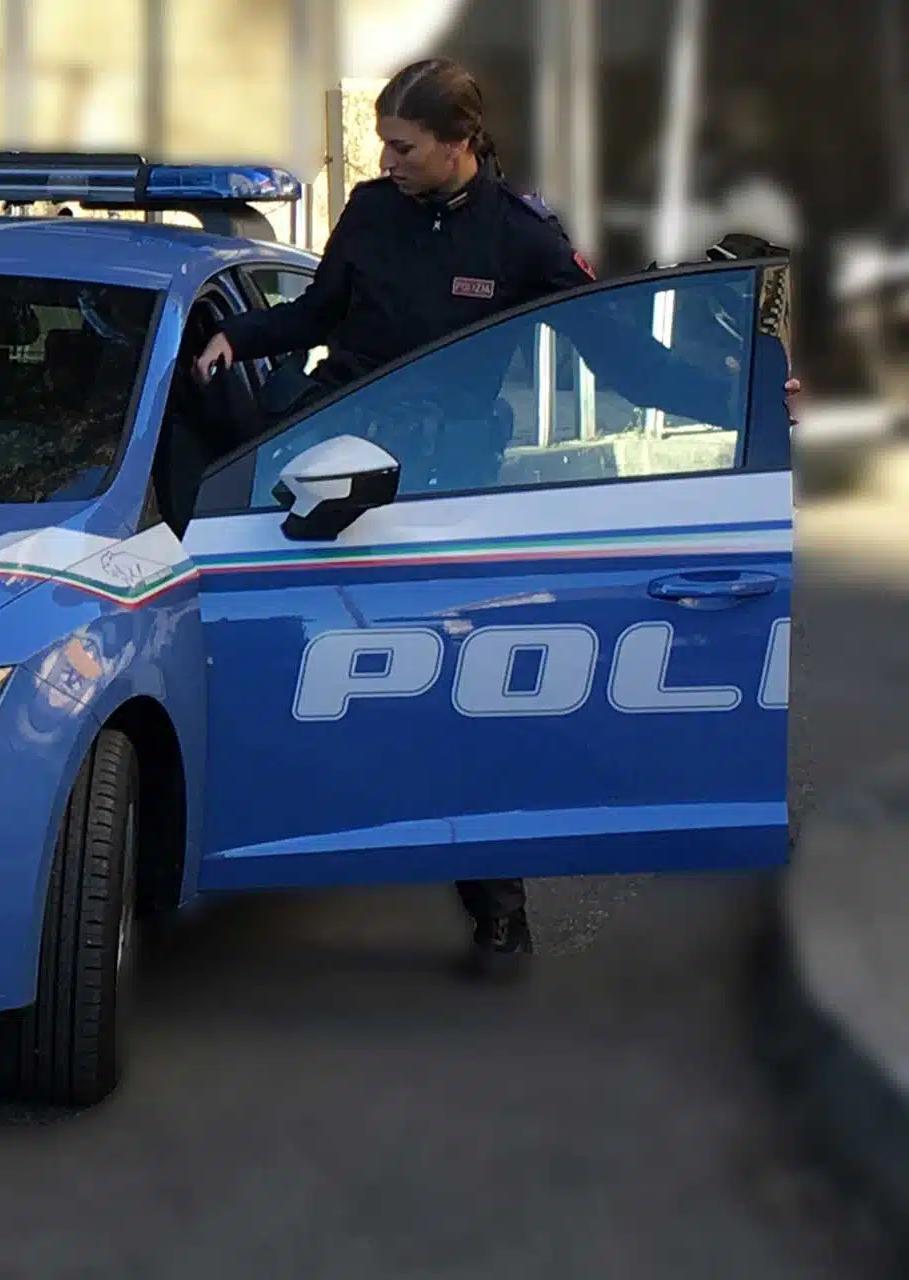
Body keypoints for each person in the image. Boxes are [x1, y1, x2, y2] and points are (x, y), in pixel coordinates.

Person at [193, 57, 798, 984]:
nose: (386, 158)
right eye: (384, 144)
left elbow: (622, 360)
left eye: (403, 146)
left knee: (453, 684)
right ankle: (279, 833)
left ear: (459, 144)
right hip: (332, 453)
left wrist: (744, 402)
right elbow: (318, 310)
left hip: (452, 486)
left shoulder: (521, 238)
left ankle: (497, 905)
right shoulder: (368, 208)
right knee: (286, 651)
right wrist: (242, 336)